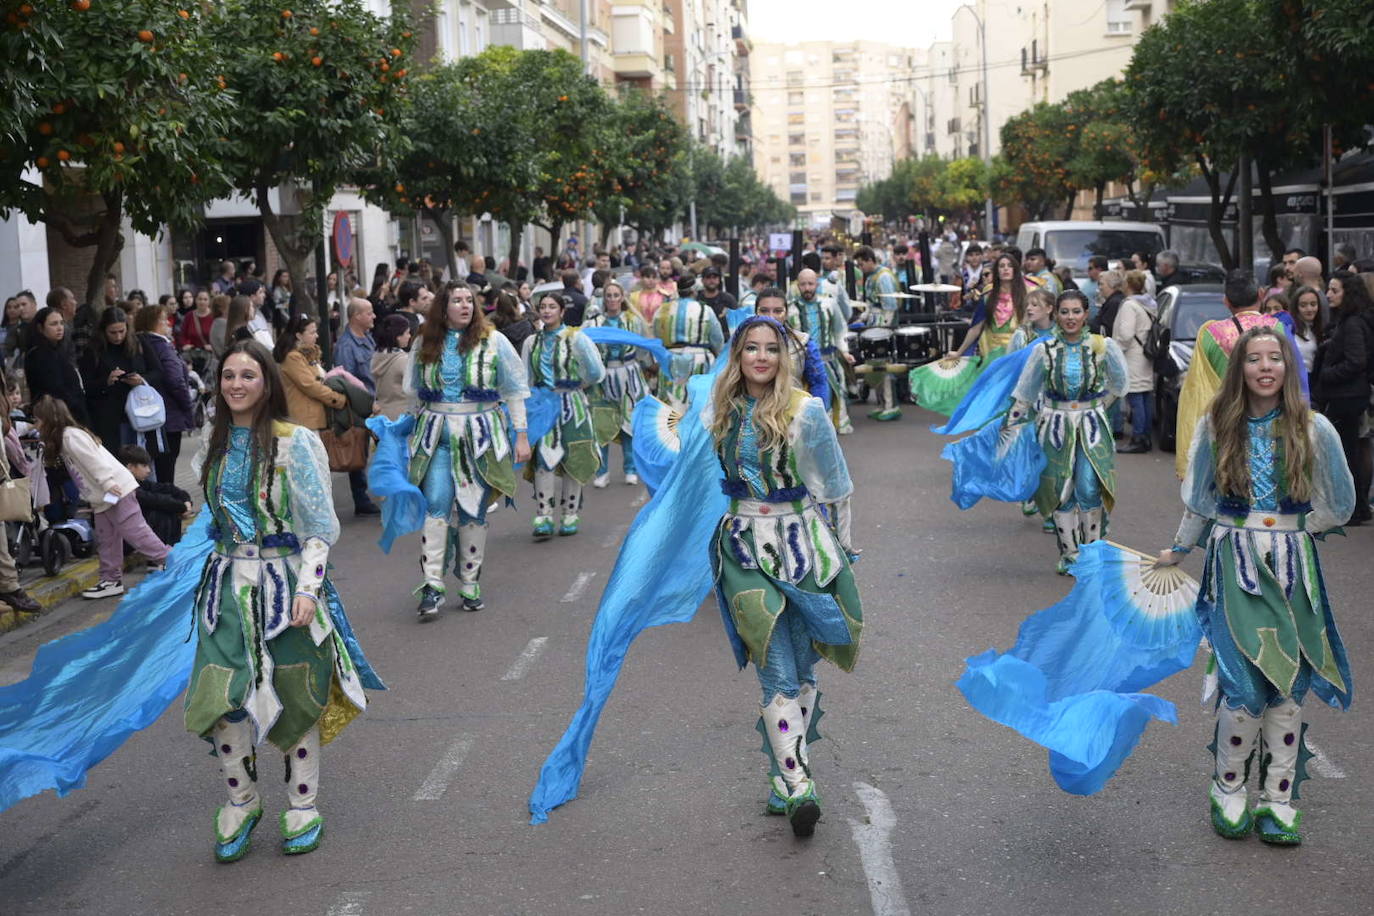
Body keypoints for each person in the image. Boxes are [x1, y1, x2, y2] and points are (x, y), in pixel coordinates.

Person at [1155, 328, 1353, 846]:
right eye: (1254, 359)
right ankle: (1228, 786)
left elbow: (1341, 503)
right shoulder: (1216, 426)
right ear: (1239, 369)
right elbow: (1199, 499)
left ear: (1289, 368)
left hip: (1292, 567)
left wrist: (1292, 535)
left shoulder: (1316, 429)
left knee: (1289, 684)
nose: (1265, 367)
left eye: (1275, 359)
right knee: (1243, 683)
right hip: (1234, 563)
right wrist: (1178, 548)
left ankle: (1280, 796)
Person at [183, 339, 379, 861]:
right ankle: (241, 801)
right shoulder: (215, 441)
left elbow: (318, 528)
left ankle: (302, 805)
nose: (236, 385)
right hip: (225, 588)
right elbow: (211, 521)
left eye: (248, 375)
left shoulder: (295, 442)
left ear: (267, 382)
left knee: (297, 695)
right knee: (220, 699)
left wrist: (310, 589)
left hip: (285, 585)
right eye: (228, 376)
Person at [707, 315, 862, 837]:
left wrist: (842, 550)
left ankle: (782, 774)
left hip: (802, 546)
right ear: (737, 356)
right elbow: (688, 480)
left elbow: (836, 485)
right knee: (773, 664)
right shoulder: (719, 408)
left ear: (783, 357)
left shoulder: (806, 410)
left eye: (771, 349)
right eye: (750, 348)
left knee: (802, 668)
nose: (760, 357)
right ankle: (800, 787)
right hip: (743, 550)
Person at [405, 282, 531, 617]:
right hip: (436, 437)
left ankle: (470, 582)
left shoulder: (495, 341)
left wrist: (521, 435)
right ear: (442, 307)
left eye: (469, 301)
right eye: (456, 300)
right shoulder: (424, 342)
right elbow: (413, 392)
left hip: (480, 437)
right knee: (436, 506)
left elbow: (515, 389)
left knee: (474, 511)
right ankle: (432, 585)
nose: (465, 306)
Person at [1004, 291, 1128, 573]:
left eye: (1076, 311)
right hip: (1054, 428)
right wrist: (1009, 428)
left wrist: (1096, 408)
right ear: (1056, 315)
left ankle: (1092, 552)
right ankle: (1070, 553)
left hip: (1091, 427)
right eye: (1064, 312)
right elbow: (1025, 392)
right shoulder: (1043, 350)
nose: (1070, 318)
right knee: (1061, 490)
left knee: (1088, 485)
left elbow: (1120, 384)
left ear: (1086, 314)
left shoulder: (1103, 346)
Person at [1174, 270, 1307, 478]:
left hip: (1226, 426)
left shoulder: (1209, 335)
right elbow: (1297, 377)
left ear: (1226, 301)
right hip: (1275, 426)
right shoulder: (1278, 329)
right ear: (1261, 295)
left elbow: (1196, 390)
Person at [33, 395, 169, 597]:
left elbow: (94, 460)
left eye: (37, 419)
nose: (36, 424)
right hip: (105, 496)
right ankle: (111, 580)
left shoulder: (70, 436)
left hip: (115, 490)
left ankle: (173, 560)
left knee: (136, 533)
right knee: (108, 539)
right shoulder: (67, 436)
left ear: (49, 419)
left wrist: (107, 483)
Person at [521, 292, 605, 539]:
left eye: (552, 307)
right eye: (543, 307)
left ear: (562, 311)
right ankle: (544, 514)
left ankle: (570, 513)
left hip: (572, 404)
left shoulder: (576, 338)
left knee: (574, 458)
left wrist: (579, 385)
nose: (547, 311)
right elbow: (525, 377)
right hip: (543, 405)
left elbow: (596, 371)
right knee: (544, 460)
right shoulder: (531, 342)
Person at [1313, 271, 1373, 525]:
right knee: (1350, 452)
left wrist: (1327, 374)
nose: (1328, 295)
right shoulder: (1348, 320)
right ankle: (1356, 507)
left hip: (1347, 397)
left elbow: (1357, 361)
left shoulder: (1353, 324)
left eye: (1334, 290)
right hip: (1348, 395)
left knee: (1346, 454)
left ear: (1348, 294)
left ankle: (1354, 508)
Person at [585, 280, 649, 488]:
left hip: (628, 374)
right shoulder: (594, 323)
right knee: (601, 424)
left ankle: (630, 469)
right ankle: (602, 471)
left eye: (616, 295)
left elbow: (642, 348)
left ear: (622, 298)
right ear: (604, 298)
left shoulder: (633, 320)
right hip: (603, 378)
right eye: (608, 295)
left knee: (629, 424)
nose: (612, 299)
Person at [135, 305, 196, 484]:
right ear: (154, 323)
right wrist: (187, 405)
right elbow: (175, 380)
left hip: (148, 415)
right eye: (163, 320)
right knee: (166, 469)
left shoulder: (138, 344)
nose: (168, 324)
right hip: (169, 416)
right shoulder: (162, 346)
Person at [789, 269, 853, 433]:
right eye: (803, 284)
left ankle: (829, 430)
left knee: (833, 394)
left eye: (810, 283)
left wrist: (844, 351)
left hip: (828, 359)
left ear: (817, 284)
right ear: (798, 285)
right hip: (800, 361)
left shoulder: (829, 304)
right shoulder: (791, 309)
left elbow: (840, 330)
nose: (807, 288)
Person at [77, 306, 150, 450]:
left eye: (122, 331)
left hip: (138, 411)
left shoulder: (137, 343)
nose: (118, 337)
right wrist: (106, 381)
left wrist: (141, 380)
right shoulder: (93, 350)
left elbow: (157, 371)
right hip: (109, 417)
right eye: (113, 332)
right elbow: (86, 385)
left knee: (140, 460)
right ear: (104, 330)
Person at [333, 298, 380, 516]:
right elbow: (347, 381)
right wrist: (363, 405)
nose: (373, 316)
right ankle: (360, 499)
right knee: (359, 451)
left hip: (377, 404)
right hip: (361, 407)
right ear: (356, 316)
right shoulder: (346, 346)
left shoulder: (367, 338)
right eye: (369, 313)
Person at [654, 275, 724, 408]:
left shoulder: (662, 310)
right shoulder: (705, 310)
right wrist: (719, 355)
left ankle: (672, 427)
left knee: (671, 401)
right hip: (700, 359)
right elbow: (717, 338)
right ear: (694, 291)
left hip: (670, 359)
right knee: (699, 403)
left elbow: (657, 336)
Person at [275, 314, 347, 436]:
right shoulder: (293, 358)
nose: (317, 336)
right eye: (312, 333)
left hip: (311, 419)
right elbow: (311, 386)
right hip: (305, 421)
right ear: (298, 335)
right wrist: (338, 399)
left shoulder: (307, 355)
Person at [755, 287, 830, 403]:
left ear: (786, 314)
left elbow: (819, 382)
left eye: (777, 311)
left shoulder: (803, 343)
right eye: (764, 310)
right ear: (755, 312)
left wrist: (816, 415)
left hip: (793, 414)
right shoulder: (742, 343)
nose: (771, 316)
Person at [1112, 271, 1159, 454]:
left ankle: (1138, 438)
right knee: (1145, 396)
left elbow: (1125, 334)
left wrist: (1116, 350)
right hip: (1145, 355)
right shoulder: (1148, 304)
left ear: (1128, 285)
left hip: (1132, 356)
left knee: (1135, 397)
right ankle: (1145, 436)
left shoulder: (1130, 305)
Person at [119, 443, 193, 547]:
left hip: (134, 534)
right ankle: (164, 551)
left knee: (168, 506)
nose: (149, 470)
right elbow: (155, 500)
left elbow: (168, 489)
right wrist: (182, 507)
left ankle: (170, 548)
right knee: (161, 513)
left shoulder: (140, 483)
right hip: (125, 539)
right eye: (144, 466)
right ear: (131, 467)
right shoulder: (127, 489)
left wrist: (186, 501)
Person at [25, 306, 88, 425]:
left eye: (61, 323)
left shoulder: (59, 351)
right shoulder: (38, 355)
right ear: (40, 328)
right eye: (53, 324)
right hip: (57, 416)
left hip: (72, 413)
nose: (59, 328)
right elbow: (53, 388)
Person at [369, 314, 414, 422]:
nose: (409, 336)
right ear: (397, 336)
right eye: (407, 333)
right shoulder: (403, 360)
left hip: (380, 415)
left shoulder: (376, 356)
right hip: (402, 418)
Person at [1286, 285, 1324, 375]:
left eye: (1313, 304)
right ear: (1296, 307)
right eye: (1303, 305)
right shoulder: (1289, 330)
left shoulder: (1319, 329)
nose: (1309, 309)